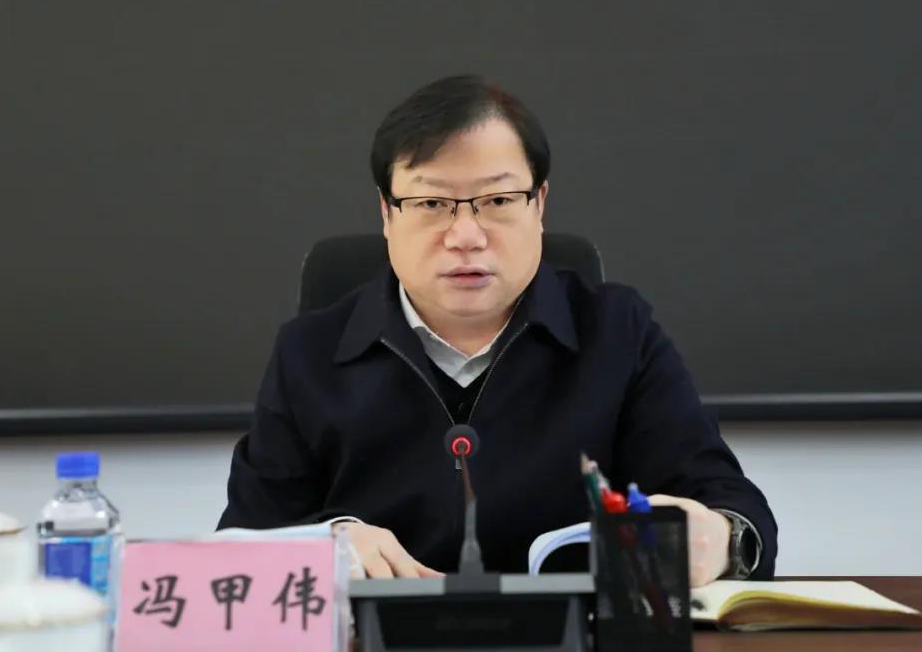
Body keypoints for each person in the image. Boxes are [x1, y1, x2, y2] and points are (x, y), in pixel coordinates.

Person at [218, 75, 777, 585]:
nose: (466, 235)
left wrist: (718, 537)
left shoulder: (618, 333)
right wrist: (325, 544)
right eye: (431, 202)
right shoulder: (308, 353)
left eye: (499, 200)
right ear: (387, 214)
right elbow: (237, 555)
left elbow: (732, 507)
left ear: (539, 205)